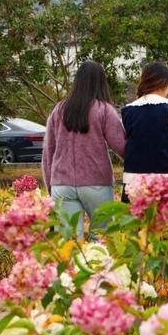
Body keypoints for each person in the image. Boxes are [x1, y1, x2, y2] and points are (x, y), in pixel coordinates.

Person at [42, 60, 126, 236]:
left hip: (61, 183)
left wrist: (51, 185)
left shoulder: (59, 110)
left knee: (68, 241)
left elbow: (49, 152)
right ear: (101, 82)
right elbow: (122, 147)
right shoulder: (104, 110)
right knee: (102, 238)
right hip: (96, 183)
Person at [121, 61, 168, 198]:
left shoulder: (127, 110)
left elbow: (125, 144)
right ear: (165, 83)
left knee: (136, 212)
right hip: (167, 179)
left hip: (134, 182)